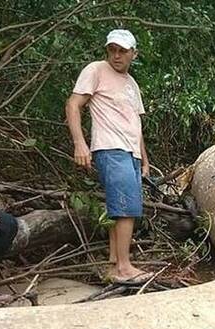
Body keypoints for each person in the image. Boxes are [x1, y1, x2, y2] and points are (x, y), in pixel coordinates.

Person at [65, 29, 152, 283]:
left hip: (130, 152)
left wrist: (144, 160)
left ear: (133, 54)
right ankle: (125, 268)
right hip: (110, 148)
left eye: (122, 51)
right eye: (112, 49)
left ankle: (115, 262)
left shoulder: (132, 85)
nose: (116, 55)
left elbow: (135, 123)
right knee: (126, 210)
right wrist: (80, 143)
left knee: (122, 207)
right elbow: (73, 104)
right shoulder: (96, 70)